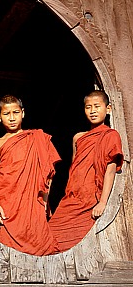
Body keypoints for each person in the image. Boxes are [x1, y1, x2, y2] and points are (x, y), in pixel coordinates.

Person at [48, 90, 124, 252]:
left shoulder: (111, 135)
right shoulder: (78, 137)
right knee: (50, 237)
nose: (93, 111)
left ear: (108, 109)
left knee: (78, 247)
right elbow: (74, 169)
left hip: (91, 200)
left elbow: (110, 171)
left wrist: (102, 202)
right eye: (88, 107)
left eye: (97, 106)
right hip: (72, 198)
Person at [0, 94, 62, 256]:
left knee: (40, 244)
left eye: (16, 112)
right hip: (7, 202)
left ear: (23, 113)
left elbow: (48, 174)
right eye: (7, 114)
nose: (12, 118)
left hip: (33, 202)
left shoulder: (37, 138)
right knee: (6, 249)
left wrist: (45, 202)